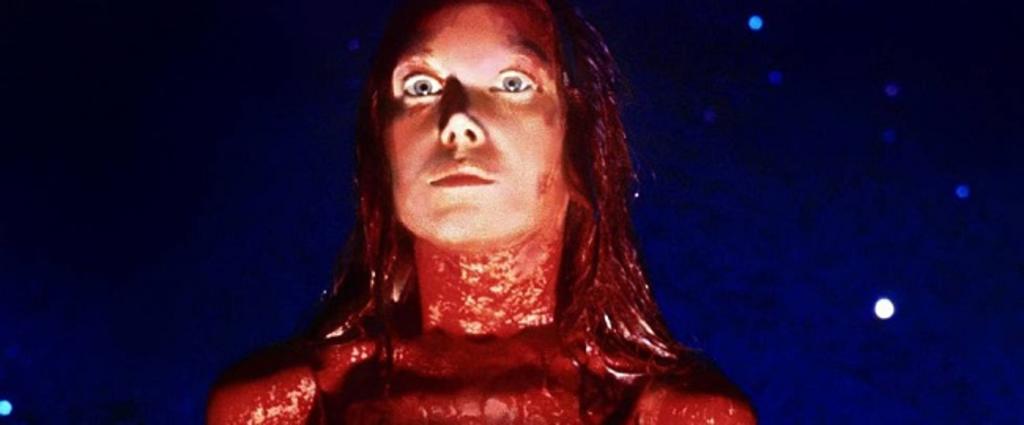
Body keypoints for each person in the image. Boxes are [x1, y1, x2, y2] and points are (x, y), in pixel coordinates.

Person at [207, 0, 757, 423]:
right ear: (383, 142)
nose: (457, 121)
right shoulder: (280, 408)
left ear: (577, 138)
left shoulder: (677, 415)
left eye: (513, 84)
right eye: (420, 86)